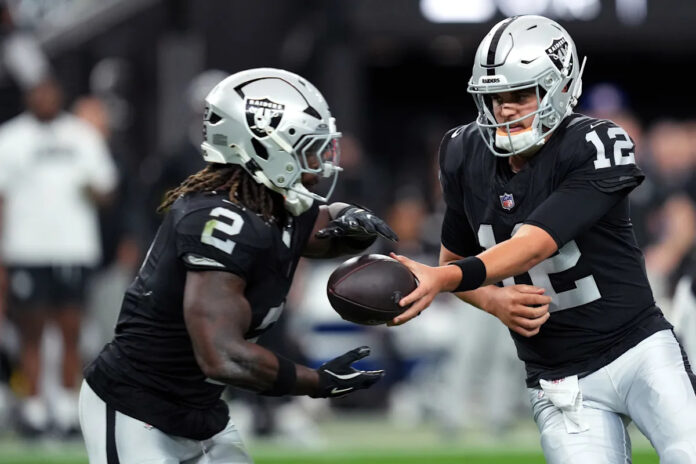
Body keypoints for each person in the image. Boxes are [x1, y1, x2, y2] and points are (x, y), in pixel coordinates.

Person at [389, 15, 696, 463]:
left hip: (638, 351)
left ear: (561, 87)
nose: (504, 109)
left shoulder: (595, 143)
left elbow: (535, 244)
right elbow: (453, 260)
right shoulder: (463, 152)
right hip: (560, 379)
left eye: (520, 94)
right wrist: (493, 300)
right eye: (495, 97)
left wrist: (445, 279)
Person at [78, 68, 396, 463]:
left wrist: (355, 218)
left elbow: (329, 227)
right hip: (138, 409)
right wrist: (314, 380)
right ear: (266, 147)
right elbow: (222, 356)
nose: (320, 163)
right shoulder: (217, 221)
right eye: (308, 149)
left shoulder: (273, 206)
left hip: (200, 411)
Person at [0, 77, 117, 437]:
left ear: (60, 96)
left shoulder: (81, 136)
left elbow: (107, 188)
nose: (45, 99)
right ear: (28, 98)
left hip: (72, 248)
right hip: (26, 248)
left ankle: (67, 407)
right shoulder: (10, 137)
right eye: (38, 94)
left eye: (50, 93)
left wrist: (93, 189)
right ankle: (34, 408)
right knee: (30, 332)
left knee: (72, 330)